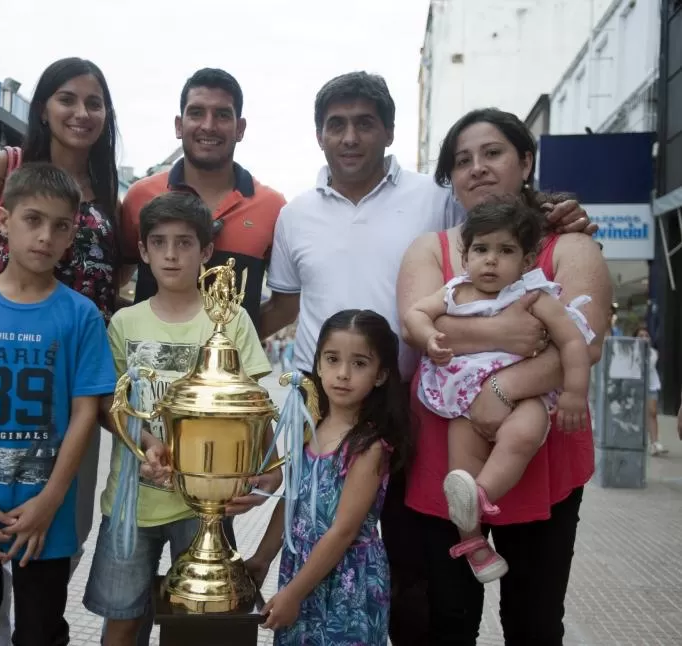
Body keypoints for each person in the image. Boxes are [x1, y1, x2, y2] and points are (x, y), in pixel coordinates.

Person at [257, 72, 594, 645]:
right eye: (336, 124)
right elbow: (291, 304)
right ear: (318, 135)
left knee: (492, 602)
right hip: (351, 414)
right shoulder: (296, 214)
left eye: (365, 122)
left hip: (431, 418)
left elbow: (499, 229)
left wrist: (556, 213)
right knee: (361, 556)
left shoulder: (432, 201)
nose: (350, 136)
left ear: (389, 130)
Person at [0, 57, 123, 643]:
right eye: (67, 99)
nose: (81, 113)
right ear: (42, 106)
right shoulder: (3, 167)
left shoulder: (111, 190)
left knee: (53, 548)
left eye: (94, 102)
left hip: (75, 384)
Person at [397, 107, 612, 644]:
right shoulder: (433, 248)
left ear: (525, 161)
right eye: (462, 161)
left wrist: (502, 388)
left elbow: (587, 343)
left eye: (492, 153)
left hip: (542, 449)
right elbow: (418, 330)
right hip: (447, 451)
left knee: (534, 620)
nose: (477, 168)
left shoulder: (571, 245)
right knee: (446, 618)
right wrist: (513, 335)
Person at [83, 191, 280, 646]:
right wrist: (149, 444)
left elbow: (253, 405)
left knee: (197, 625)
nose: (171, 254)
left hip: (208, 505)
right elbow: (111, 406)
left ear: (206, 251)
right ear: (145, 251)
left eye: (185, 243)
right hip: (132, 503)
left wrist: (268, 471)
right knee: (124, 620)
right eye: (159, 242)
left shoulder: (232, 322)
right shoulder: (124, 324)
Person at [404, 196, 595, 584]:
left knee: (521, 436)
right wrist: (430, 338)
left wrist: (575, 392)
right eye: (481, 249)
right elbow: (415, 315)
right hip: (464, 401)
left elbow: (575, 342)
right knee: (461, 464)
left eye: (505, 250)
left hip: (524, 396)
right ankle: (473, 543)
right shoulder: (454, 292)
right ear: (465, 255)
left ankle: (480, 492)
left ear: (527, 261)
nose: (491, 260)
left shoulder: (534, 296)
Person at [245, 309, 411, 646]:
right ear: (318, 364)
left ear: (380, 375)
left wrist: (293, 593)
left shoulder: (368, 445)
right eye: (332, 359)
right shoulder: (312, 427)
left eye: (360, 363)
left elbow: (343, 531)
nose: (343, 374)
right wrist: (262, 559)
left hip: (348, 581)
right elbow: (291, 502)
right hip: (303, 571)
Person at [120, 68, 286, 327]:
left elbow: (284, 307)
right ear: (179, 124)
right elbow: (115, 283)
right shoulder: (140, 197)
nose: (208, 125)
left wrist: (235, 346)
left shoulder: (273, 208)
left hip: (233, 367)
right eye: (196, 113)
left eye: (222, 115)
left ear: (240, 128)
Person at [636, 327, 666, 456]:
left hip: (651, 385)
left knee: (652, 413)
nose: (644, 338)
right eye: (640, 335)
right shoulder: (631, 352)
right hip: (636, 387)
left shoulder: (653, 353)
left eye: (646, 335)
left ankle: (655, 443)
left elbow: (649, 365)